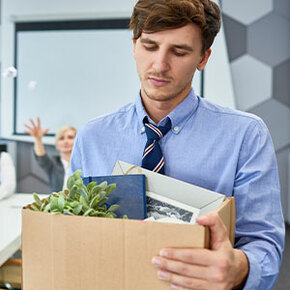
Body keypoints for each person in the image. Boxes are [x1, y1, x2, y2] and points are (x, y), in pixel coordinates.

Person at [69, 0, 285, 289]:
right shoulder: (92, 136)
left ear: (203, 58)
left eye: (179, 51)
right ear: (134, 45)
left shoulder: (246, 135)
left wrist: (240, 269)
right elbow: (72, 225)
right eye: (149, 46)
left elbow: (264, 243)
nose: (160, 65)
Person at [24, 117, 77, 192]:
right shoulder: (54, 164)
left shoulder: (83, 164)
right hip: (58, 203)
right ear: (57, 144)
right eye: (61, 138)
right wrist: (38, 139)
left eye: (70, 137)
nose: (66, 141)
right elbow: (41, 157)